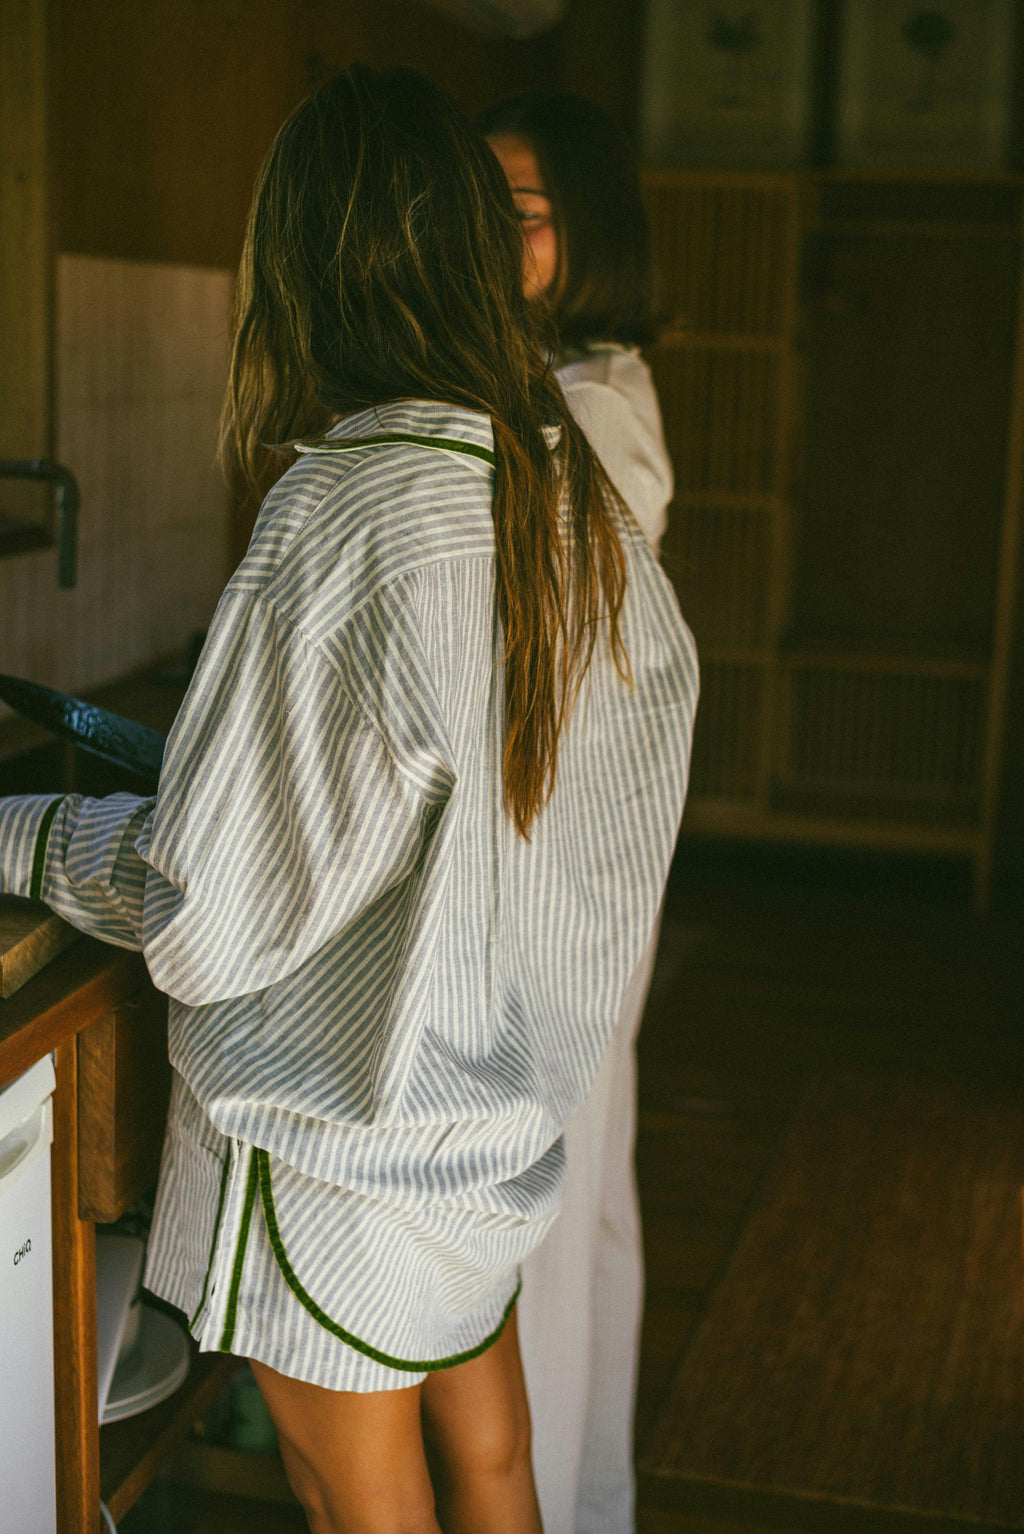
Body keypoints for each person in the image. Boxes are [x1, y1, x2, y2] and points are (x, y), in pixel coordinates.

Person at [0, 67, 697, 1534]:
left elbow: (208, 912)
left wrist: (24, 832)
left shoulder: (349, 503)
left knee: (359, 1510)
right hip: (484, 1149)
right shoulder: (569, 496)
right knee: (494, 1471)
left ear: (303, 269)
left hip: (339, 1168)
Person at [479, 91, 675, 1534]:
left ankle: (550, 1501)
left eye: (524, 212)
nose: (491, 237)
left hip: (557, 880)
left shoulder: (588, 406)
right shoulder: (557, 386)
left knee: (544, 1218)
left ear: (586, 229)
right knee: (578, 1199)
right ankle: (579, 1501)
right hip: (572, 871)